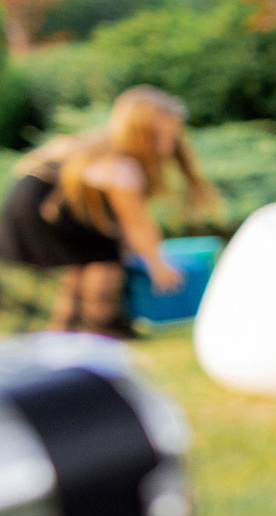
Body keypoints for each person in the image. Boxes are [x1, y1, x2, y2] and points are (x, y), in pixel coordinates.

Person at [0, 86, 216, 334]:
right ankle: (97, 323)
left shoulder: (99, 146)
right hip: (42, 208)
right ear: (137, 135)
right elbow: (136, 222)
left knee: (91, 255)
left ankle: (72, 327)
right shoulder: (121, 165)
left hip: (35, 203)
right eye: (156, 138)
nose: (165, 148)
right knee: (103, 254)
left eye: (171, 138)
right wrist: (158, 265)